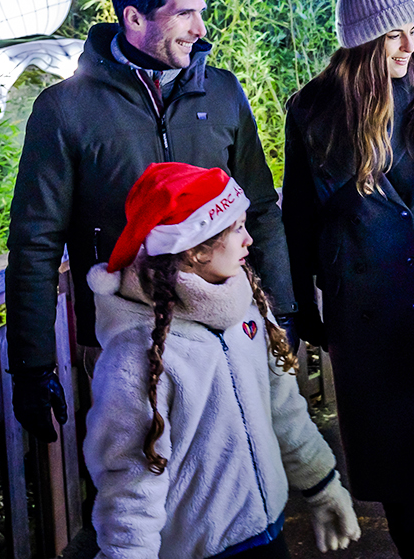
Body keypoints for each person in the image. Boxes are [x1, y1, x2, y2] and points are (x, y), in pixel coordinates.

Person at [7, 0, 293, 443]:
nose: (201, 28)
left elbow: (261, 206)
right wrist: (31, 367)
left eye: (200, 11)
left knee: (240, 473)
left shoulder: (223, 92)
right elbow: (35, 243)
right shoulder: (64, 109)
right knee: (141, 485)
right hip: (126, 341)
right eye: (184, 13)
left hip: (226, 323)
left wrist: (281, 311)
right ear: (134, 17)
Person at [282, 0, 414, 559]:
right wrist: (302, 307)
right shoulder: (314, 110)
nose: (409, 45)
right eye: (394, 34)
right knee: (393, 450)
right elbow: (299, 215)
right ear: (363, 42)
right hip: (367, 305)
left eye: (413, 30)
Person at [85, 162, 360, 559]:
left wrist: (322, 486)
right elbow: (130, 477)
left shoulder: (246, 311)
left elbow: (283, 411)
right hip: (201, 551)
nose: (249, 240)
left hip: (268, 533)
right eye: (236, 229)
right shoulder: (137, 354)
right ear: (195, 249)